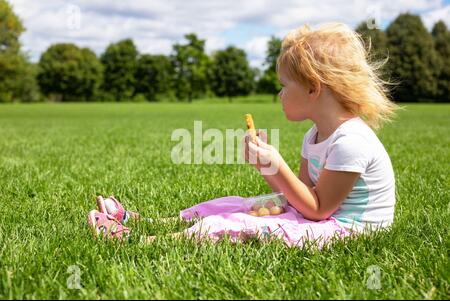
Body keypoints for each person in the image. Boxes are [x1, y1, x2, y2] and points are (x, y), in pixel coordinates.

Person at [88, 23, 398, 248]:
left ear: (313, 88)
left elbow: (317, 210)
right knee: (236, 204)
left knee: (238, 224)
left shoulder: (351, 141)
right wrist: (266, 168)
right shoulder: (314, 135)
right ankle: (141, 222)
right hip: (319, 217)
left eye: (284, 85)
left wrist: (275, 165)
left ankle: (139, 242)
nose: (279, 94)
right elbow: (299, 198)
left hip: (347, 230)